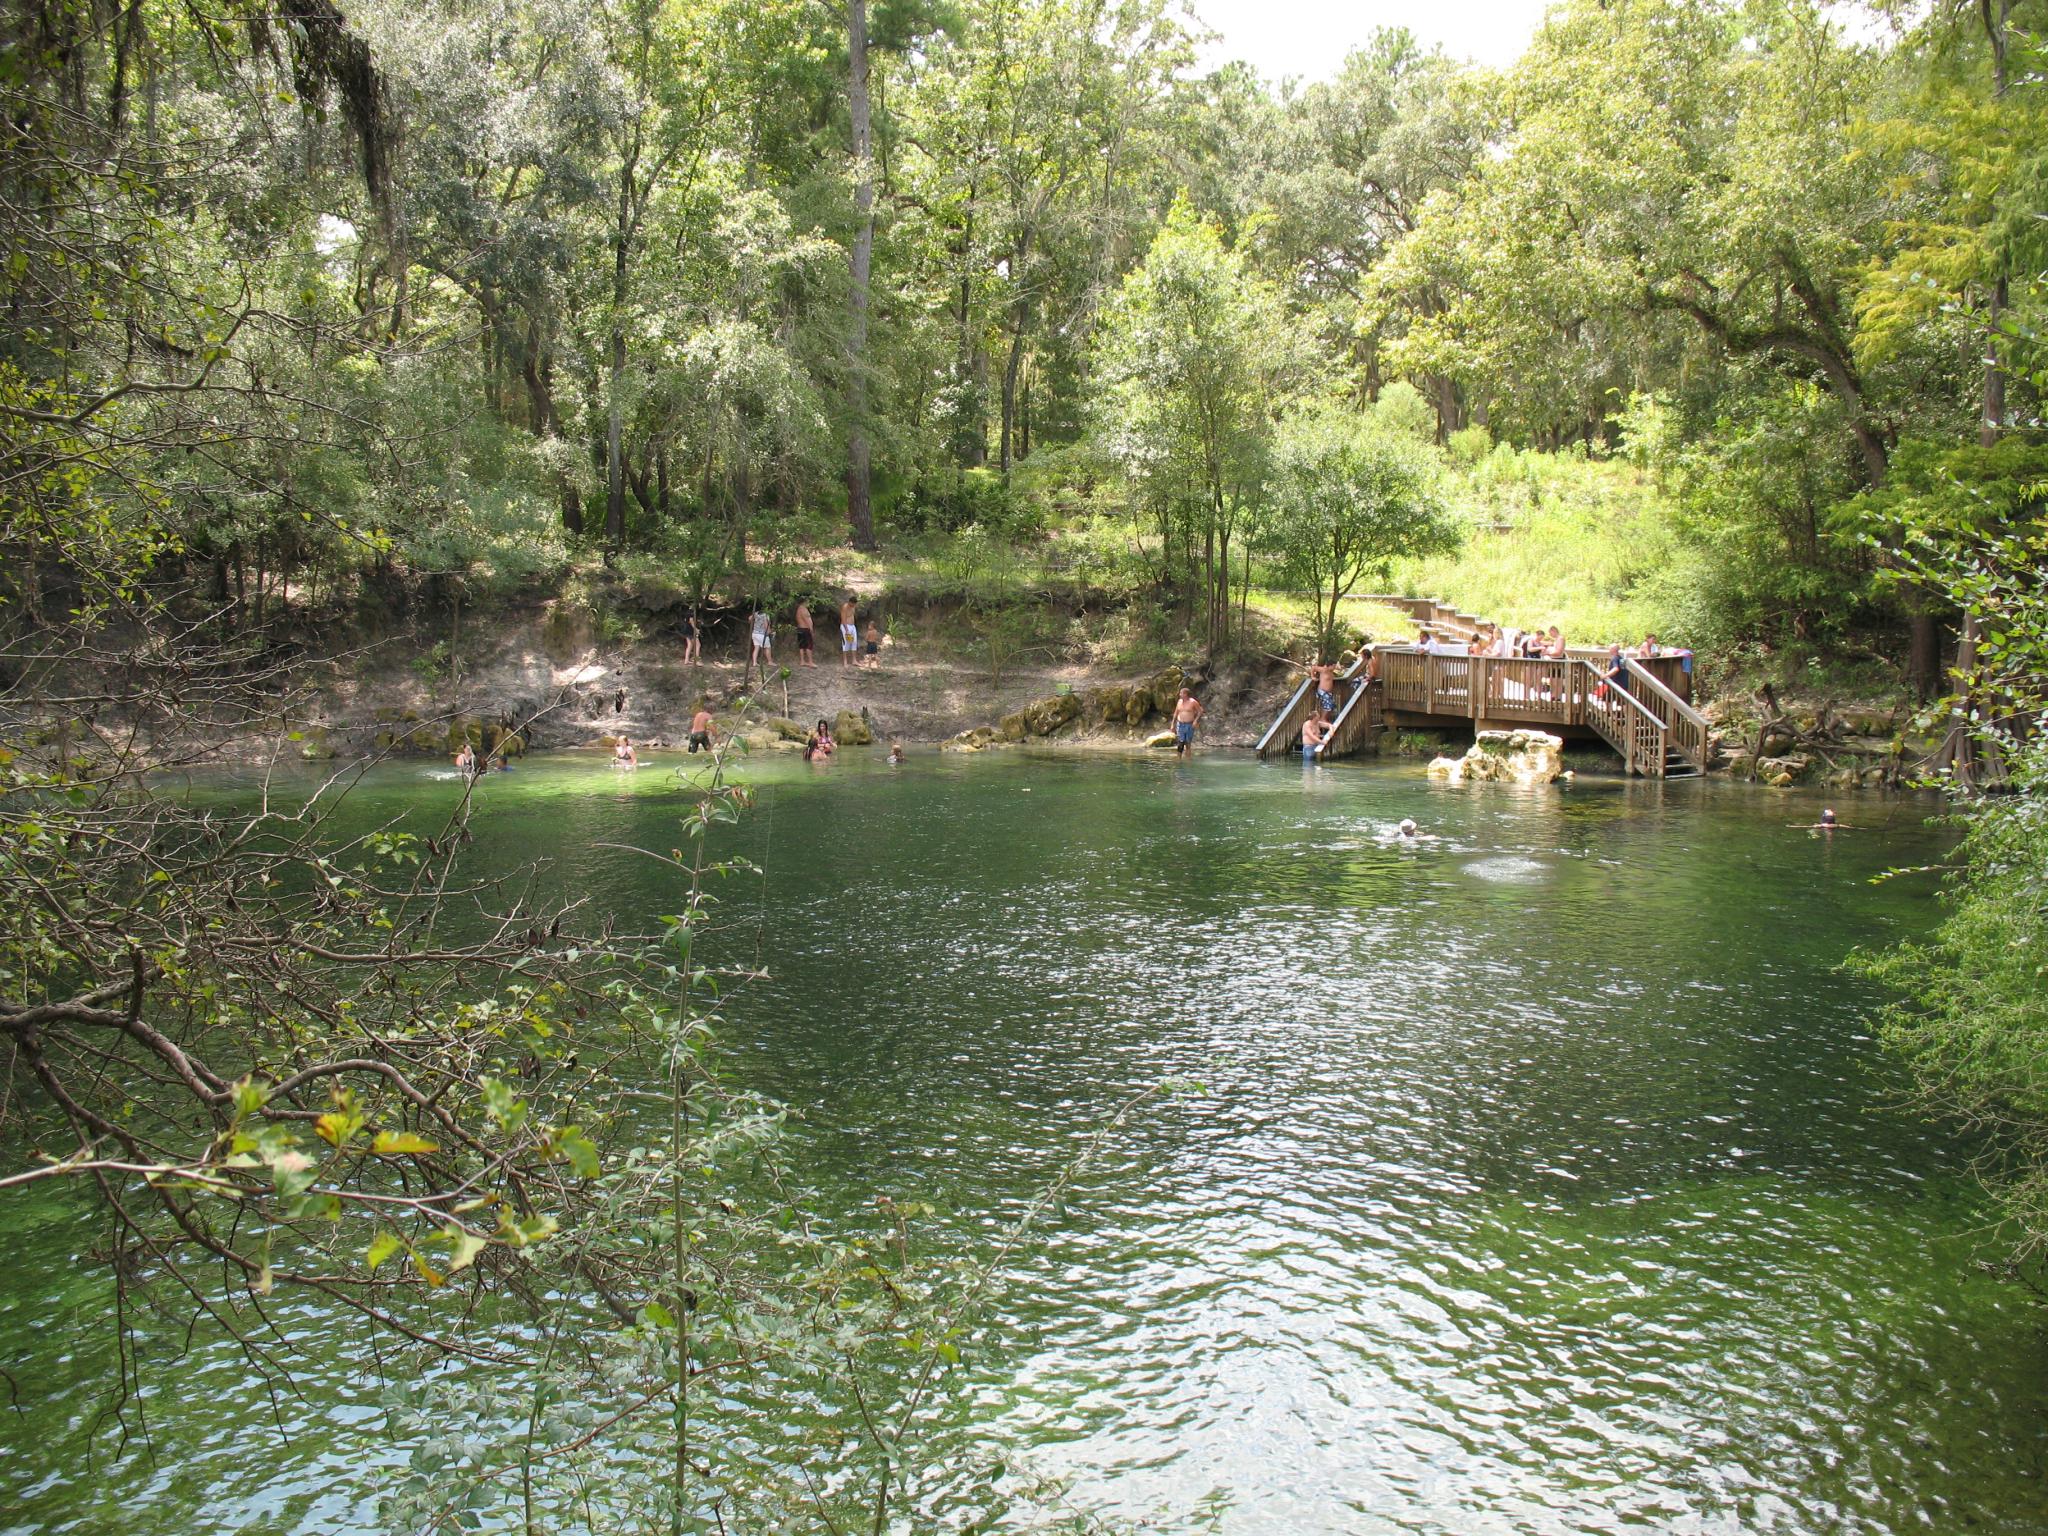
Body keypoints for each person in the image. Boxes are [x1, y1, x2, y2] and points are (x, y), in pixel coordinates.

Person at [1171, 687, 1204, 758]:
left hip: (1189, 724)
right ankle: (1178, 760)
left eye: (1181, 693)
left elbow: (1200, 711)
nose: (1180, 695)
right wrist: (1172, 724)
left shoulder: (1193, 702)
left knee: (1188, 743)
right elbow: (1176, 713)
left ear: (1186, 694)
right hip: (1180, 724)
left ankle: (1188, 760)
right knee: (1180, 743)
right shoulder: (1179, 702)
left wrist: (1195, 720)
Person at [749, 606, 773, 674]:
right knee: (768, 647)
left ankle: (754, 662)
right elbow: (766, 625)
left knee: (756, 648)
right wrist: (769, 632)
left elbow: (749, 618)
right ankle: (770, 661)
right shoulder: (765, 615)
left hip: (754, 633)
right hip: (762, 634)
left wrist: (752, 622)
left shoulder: (756, 613)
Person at [794, 599, 816, 667]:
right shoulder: (803, 610)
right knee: (808, 646)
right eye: (808, 602)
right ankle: (810, 662)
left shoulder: (798, 609)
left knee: (802, 646)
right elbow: (808, 621)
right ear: (805, 602)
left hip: (800, 629)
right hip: (805, 629)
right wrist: (811, 630)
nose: (809, 603)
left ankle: (802, 661)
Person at [839, 596, 858, 669]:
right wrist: (846, 630)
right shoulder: (845, 607)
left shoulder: (854, 607)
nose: (854, 605)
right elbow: (843, 619)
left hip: (853, 626)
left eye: (855, 604)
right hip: (845, 627)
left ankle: (854, 660)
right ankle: (845, 661)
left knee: (854, 642)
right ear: (850, 602)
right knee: (846, 643)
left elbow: (852, 616)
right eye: (853, 604)